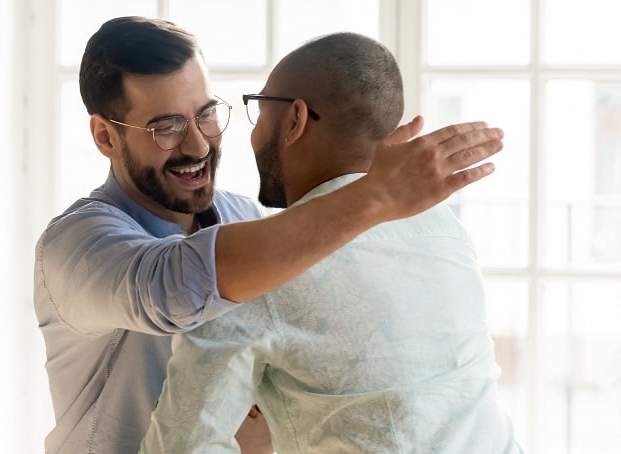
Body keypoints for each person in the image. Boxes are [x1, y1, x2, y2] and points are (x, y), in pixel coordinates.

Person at [34, 16, 504, 454]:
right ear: (104, 137)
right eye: (168, 126)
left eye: (206, 114)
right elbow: (177, 286)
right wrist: (374, 194)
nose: (198, 144)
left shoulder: (250, 220)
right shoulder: (76, 245)